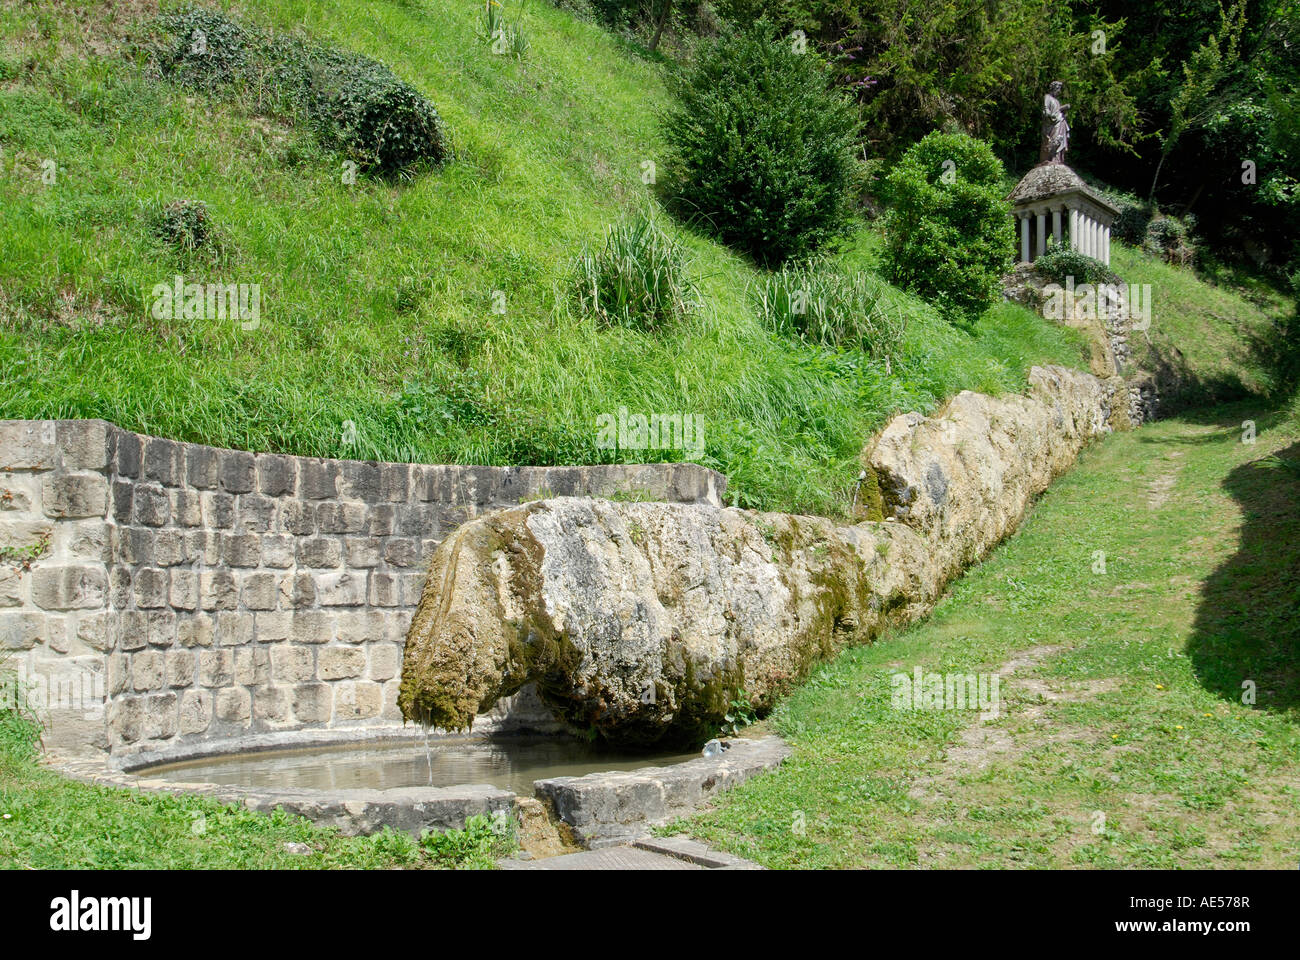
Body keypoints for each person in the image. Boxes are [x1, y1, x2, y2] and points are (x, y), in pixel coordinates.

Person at [1040, 81, 1070, 164]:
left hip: (1060, 121)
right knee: (1054, 139)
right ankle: (1051, 158)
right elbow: (1046, 110)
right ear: (1054, 89)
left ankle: (1058, 159)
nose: (1059, 92)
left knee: (1060, 139)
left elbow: (1058, 111)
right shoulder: (1047, 97)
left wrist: (1063, 111)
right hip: (1052, 123)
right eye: (1058, 89)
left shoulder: (1057, 101)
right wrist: (1058, 110)